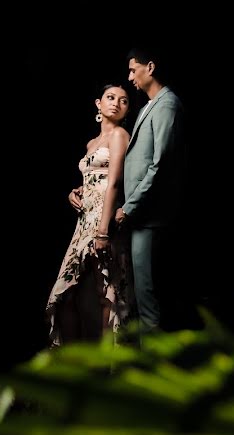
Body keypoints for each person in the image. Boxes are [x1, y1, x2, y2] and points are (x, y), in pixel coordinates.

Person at [46, 84, 133, 346]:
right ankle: (75, 362)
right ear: (98, 103)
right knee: (66, 295)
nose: (116, 103)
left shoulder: (119, 135)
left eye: (124, 100)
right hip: (83, 222)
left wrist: (104, 230)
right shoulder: (92, 143)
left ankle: (105, 368)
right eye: (110, 97)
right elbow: (95, 177)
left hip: (103, 221)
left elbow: (116, 182)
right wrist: (75, 191)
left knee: (105, 292)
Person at [115, 46, 186, 334]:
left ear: (151, 67)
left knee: (149, 300)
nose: (130, 76)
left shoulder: (167, 104)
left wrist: (130, 208)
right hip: (140, 218)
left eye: (133, 69)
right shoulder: (148, 106)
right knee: (140, 297)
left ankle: (152, 371)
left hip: (150, 218)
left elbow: (160, 165)